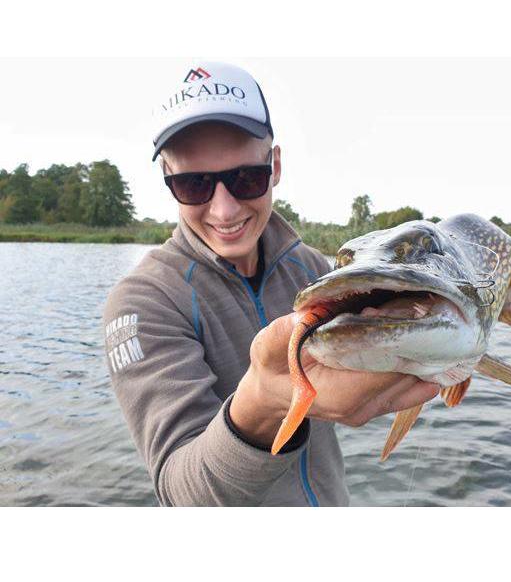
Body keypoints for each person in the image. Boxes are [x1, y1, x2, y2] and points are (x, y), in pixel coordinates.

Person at [103, 61, 439, 506]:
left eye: (246, 178)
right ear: (167, 179)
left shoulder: (313, 269)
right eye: (193, 184)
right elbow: (181, 493)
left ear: (275, 166)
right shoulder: (143, 302)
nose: (224, 211)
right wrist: (264, 404)